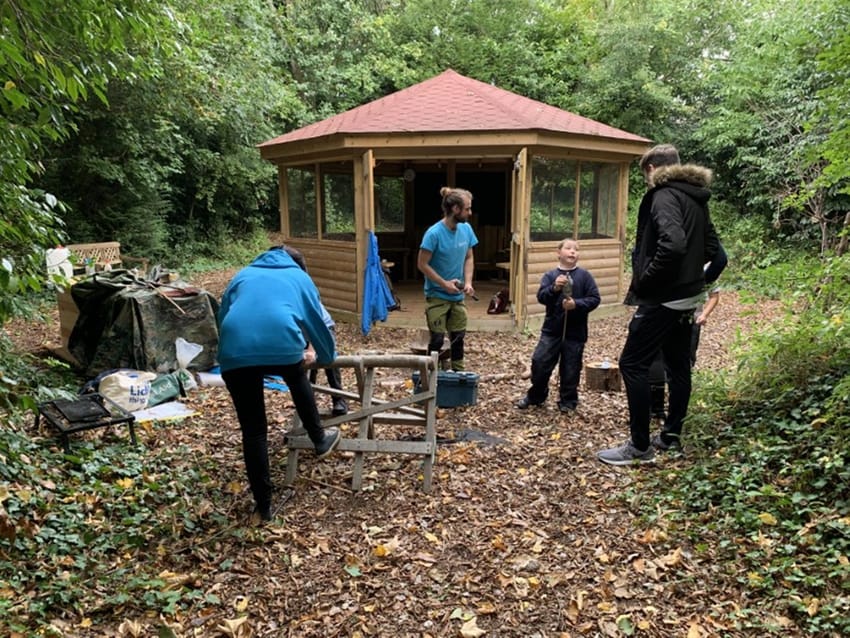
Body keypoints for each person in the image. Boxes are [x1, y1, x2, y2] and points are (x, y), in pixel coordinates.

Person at [598, 144, 721, 465]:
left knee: (632, 363)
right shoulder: (696, 198)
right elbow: (717, 255)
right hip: (687, 298)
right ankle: (670, 438)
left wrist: (647, 282)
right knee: (678, 367)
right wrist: (696, 284)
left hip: (664, 298)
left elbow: (674, 244)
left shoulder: (664, 196)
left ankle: (639, 446)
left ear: (652, 169)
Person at [218, 247, 342, 523]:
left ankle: (264, 507)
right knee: (296, 376)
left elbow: (222, 316)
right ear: (298, 264)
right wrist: (327, 356)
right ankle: (320, 439)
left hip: (234, 351)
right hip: (281, 344)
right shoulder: (299, 277)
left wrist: (229, 349)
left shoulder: (242, 275)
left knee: (254, 432)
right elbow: (316, 322)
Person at [515, 238, 600, 412]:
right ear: (558, 253)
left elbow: (594, 299)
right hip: (551, 330)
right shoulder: (550, 276)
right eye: (568, 248)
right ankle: (536, 395)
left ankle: (568, 401)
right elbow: (541, 297)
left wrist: (576, 304)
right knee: (539, 363)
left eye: (576, 249)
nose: (572, 252)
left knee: (571, 369)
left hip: (575, 332)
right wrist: (554, 288)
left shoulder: (585, 276)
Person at [649, 243, 727, 419]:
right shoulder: (671, 262)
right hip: (664, 317)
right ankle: (657, 408)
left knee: (683, 363)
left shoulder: (707, 268)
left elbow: (714, 296)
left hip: (692, 319)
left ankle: (677, 413)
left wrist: (704, 315)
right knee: (658, 360)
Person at [279, 245, 348, 417]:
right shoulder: (278, 286)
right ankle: (308, 403)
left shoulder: (303, 286)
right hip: (299, 332)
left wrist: (312, 348)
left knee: (328, 361)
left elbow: (315, 323)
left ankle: (339, 398)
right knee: (306, 370)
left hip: (322, 326)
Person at [417, 186, 479, 371]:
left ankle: (458, 376)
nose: (470, 212)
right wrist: (444, 284)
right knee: (436, 340)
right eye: (467, 208)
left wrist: (467, 282)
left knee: (458, 338)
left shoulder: (466, 229)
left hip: (457, 297)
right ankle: (430, 376)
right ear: (455, 209)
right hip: (437, 295)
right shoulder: (433, 233)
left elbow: (469, 257)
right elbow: (422, 264)